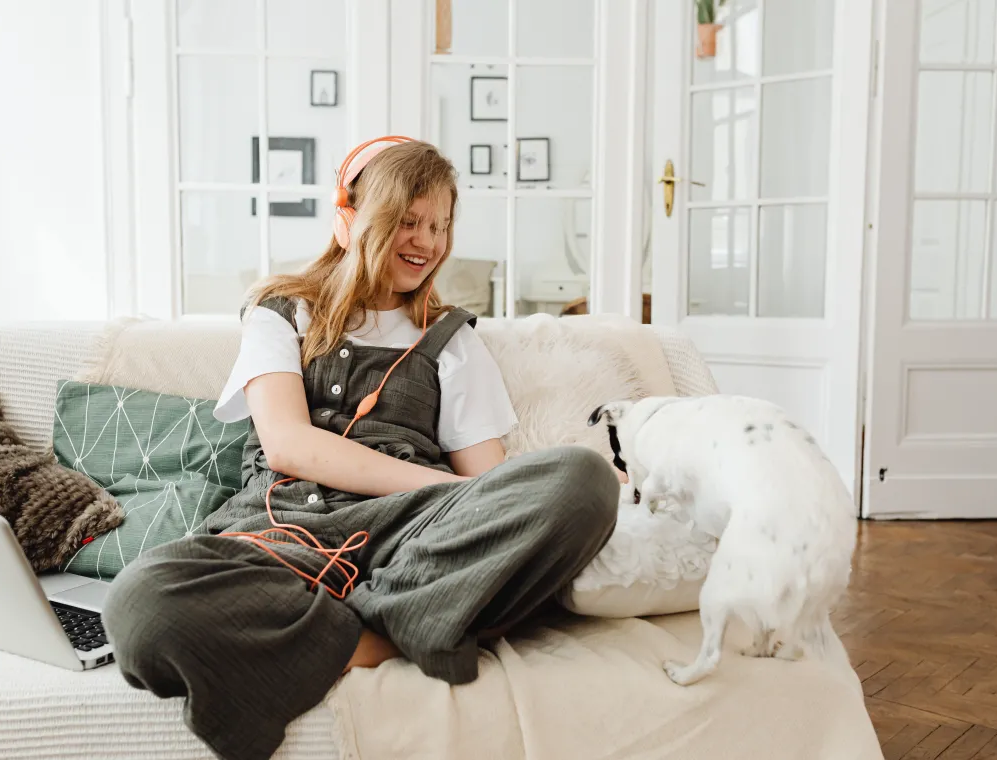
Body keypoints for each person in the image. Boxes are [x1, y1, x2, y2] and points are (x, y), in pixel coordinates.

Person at [101, 137, 619, 760]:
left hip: (412, 537)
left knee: (581, 480)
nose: (427, 241)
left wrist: (467, 502)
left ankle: (364, 624)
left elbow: (494, 482)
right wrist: (451, 493)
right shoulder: (280, 314)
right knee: (139, 605)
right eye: (408, 220)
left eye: (440, 225)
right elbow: (288, 444)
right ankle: (407, 629)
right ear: (348, 221)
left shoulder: (453, 341)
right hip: (284, 526)